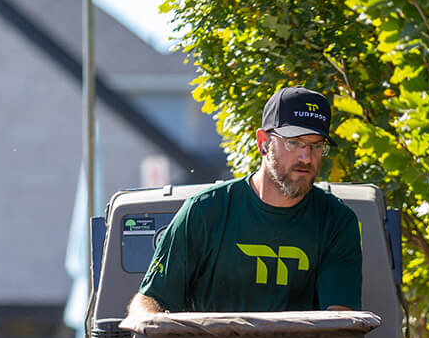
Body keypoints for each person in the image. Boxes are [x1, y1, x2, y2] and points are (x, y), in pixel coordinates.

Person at [127, 86, 362, 319]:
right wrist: (146, 325)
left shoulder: (337, 221)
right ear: (263, 141)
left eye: (316, 145)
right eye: (294, 142)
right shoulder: (205, 211)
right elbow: (150, 299)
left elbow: (340, 319)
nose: (306, 157)